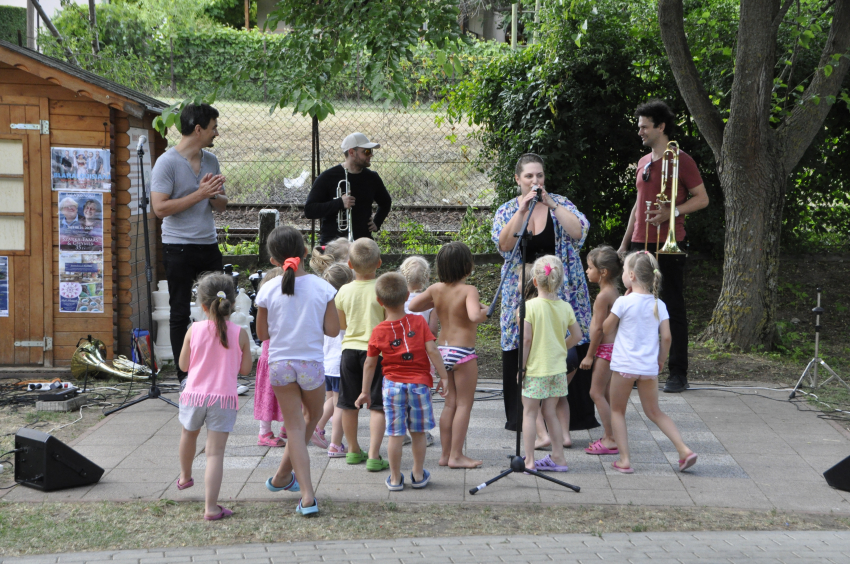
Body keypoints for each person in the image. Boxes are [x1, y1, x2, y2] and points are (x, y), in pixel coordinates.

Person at [491, 153, 597, 433]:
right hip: (521, 290)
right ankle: (526, 418)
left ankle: (567, 419)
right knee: (523, 339)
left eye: (539, 175)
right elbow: (503, 246)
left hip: (559, 290)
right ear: (518, 179)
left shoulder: (560, 203)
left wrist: (552, 206)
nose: (535, 181)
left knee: (562, 342)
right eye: (529, 176)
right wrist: (521, 212)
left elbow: (579, 232)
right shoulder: (507, 210)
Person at [618, 100, 709, 393]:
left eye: (645, 126)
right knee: (634, 308)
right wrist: (625, 244)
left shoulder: (683, 160)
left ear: (660, 127)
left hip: (670, 243)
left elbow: (702, 198)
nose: (640, 132)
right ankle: (635, 368)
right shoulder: (643, 162)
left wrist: (673, 212)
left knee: (671, 307)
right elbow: (637, 205)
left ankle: (677, 373)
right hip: (640, 243)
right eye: (640, 126)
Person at [255, 225, 340, 516]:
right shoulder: (323, 288)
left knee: (294, 429)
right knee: (311, 418)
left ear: (273, 261)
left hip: (279, 365)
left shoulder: (267, 289)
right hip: (311, 365)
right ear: (305, 252)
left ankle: (284, 478)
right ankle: (306, 496)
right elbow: (332, 330)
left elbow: (263, 334)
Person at [151, 103, 228, 384]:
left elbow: (221, 205)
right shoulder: (167, 163)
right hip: (178, 247)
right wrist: (199, 194)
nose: (216, 133)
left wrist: (212, 195)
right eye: (213, 128)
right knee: (180, 310)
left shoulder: (211, 161)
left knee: (221, 305)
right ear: (198, 129)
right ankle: (185, 377)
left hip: (208, 245)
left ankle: (220, 373)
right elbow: (159, 209)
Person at [602, 251, 697, 473]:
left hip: (624, 367)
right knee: (655, 412)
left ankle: (624, 460)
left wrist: (617, 308)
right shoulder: (659, 304)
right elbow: (666, 337)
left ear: (632, 276)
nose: (623, 275)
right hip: (648, 369)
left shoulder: (623, 302)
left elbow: (606, 329)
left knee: (617, 411)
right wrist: (660, 361)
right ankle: (683, 449)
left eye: (624, 271)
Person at [357, 273, 449, 491]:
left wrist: (365, 392)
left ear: (379, 301)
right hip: (419, 385)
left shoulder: (378, 331)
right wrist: (443, 375)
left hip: (392, 387)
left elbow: (369, 364)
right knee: (418, 433)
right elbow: (432, 349)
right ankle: (417, 474)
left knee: (395, 433)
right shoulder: (418, 321)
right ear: (407, 296)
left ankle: (396, 478)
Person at [176, 273, 253, 520]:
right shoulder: (239, 333)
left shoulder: (193, 330)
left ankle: (185, 476)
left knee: (188, 435)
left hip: (194, 396)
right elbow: (245, 370)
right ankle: (211, 507)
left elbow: (184, 365)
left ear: (202, 306)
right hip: (224, 399)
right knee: (215, 454)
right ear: (232, 302)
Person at [409, 242, 487, 468]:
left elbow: (413, 305)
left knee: (450, 404)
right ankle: (456, 456)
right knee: (464, 405)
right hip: (463, 353)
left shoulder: (435, 289)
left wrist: (438, 300)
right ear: (467, 266)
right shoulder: (469, 290)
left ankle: (445, 455)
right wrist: (485, 314)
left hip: (442, 351)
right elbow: (473, 316)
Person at [520, 256, 583, 473]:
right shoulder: (564, 307)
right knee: (551, 412)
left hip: (536, 370)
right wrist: (561, 347)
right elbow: (577, 335)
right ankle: (559, 457)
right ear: (558, 281)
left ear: (535, 282)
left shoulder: (529, 306)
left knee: (529, 413)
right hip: (556, 370)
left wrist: (521, 367)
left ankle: (529, 461)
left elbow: (526, 340)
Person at [335, 237, 388, 471]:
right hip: (378, 352)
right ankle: (375, 455)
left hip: (349, 352)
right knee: (378, 404)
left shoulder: (344, 291)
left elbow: (342, 324)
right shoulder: (383, 289)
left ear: (349, 264)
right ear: (379, 263)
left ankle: (353, 450)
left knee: (348, 403)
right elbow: (389, 321)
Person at [304, 132, 392, 245]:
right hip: (333, 244)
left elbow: (386, 202)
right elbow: (309, 210)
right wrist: (339, 203)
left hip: (362, 243)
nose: (371, 155)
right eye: (367, 151)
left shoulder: (372, 177)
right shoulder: (328, 177)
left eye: (371, 151)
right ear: (351, 152)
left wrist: (376, 222)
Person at [581, 246, 622, 455]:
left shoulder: (602, 297)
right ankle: (612, 434)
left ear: (603, 272)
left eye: (590, 267)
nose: (587, 271)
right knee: (606, 393)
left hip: (605, 350)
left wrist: (589, 355)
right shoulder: (614, 291)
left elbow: (597, 328)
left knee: (595, 392)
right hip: (614, 348)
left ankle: (611, 438)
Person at [321, 262, 355, 458]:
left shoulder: (323, 305)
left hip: (327, 362)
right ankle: (334, 444)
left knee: (333, 402)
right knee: (341, 405)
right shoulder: (346, 306)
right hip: (341, 362)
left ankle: (322, 432)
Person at [254, 268, 286, 448]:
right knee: (269, 396)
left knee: (288, 394)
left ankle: (286, 426)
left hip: (281, 357)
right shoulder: (267, 309)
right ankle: (264, 432)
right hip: (272, 358)